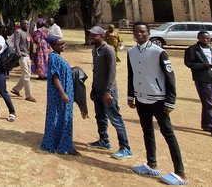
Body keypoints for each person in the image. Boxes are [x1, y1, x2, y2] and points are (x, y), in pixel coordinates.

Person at [127, 22, 187, 186]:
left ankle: (180, 172)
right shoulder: (131, 52)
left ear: (149, 33)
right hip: (141, 98)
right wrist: (131, 96)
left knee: (168, 134)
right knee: (147, 131)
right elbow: (131, 75)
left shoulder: (159, 52)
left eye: (143, 32)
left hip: (159, 99)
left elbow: (170, 77)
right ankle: (151, 163)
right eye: (136, 32)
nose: (139, 34)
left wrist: (170, 101)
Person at [88, 26, 132, 159]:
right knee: (100, 116)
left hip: (108, 91)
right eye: (91, 35)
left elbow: (112, 73)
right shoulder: (95, 49)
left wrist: (108, 91)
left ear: (101, 36)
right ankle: (103, 140)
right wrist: (93, 88)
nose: (92, 37)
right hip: (97, 89)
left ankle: (125, 147)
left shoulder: (108, 50)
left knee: (115, 118)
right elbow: (96, 71)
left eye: (94, 35)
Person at [184, 31, 212, 141]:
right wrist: (203, 66)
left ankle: (206, 124)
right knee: (208, 103)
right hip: (202, 79)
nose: (206, 40)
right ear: (198, 38)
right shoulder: (192, 49)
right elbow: (189, 63)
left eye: (208, 38)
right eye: (203, 38)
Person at [41, 36, 78, 155]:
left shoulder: (57, 56)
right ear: (54, 46)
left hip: (64, 91)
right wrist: (63, 93)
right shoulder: (53, 57)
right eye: (60, 44)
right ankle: (60, 145)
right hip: (59, 93)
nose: (63, 46)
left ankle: (60, 143)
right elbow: (55, 77)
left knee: (61, 117)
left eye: (63, 43)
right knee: (57, 117)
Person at [10, 19, 35, 102]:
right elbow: (16, 44)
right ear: (21, 24)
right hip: (22, 56)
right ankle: (28, 95)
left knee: (27, 74)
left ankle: (16, 89)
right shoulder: (18, 32)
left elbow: (31, 44)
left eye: (27, 24)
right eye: (24, 24)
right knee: (27, 75)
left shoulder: (27, 33)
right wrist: (19, 54)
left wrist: (32, 56)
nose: (26, 25)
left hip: (27, 56)